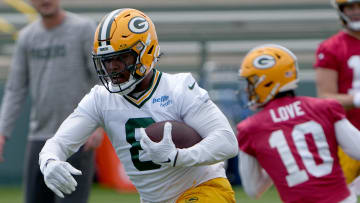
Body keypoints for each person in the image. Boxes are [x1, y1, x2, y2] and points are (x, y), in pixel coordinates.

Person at [38, 8, 238, 203]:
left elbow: (227, 141)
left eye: (122, 57)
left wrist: (178, 156)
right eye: (107, 59)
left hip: (203, 189)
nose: (112, 67)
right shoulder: (100, 98)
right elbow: (59, 143)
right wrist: (50, 161)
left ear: (147, 51)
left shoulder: (179, 88)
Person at [0, 0, 103, 203]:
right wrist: (2, 133)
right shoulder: (27, 37)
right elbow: (15, 89)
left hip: (76, 137)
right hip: (38, 138)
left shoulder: (83, 29)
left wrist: (99, 126)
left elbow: (102, 80)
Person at [237, 44, 360, 202]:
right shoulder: (325, 107)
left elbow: (253, 190)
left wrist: (280, 158)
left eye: (251, 82)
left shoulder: (249, 128)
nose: (247, 89)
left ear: (267, 83)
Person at [314, 0, 360, 184]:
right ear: (341, 10)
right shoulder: (331, 47)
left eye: (359, 6)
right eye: (350, 7)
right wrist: (357, 99)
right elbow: (325, 96)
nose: (356, 11)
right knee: (339, 194)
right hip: (346, 136)